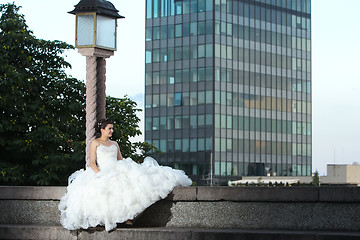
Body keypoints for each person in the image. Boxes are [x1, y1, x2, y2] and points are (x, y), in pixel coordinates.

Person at [58, 119, 192, 231]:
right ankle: (112, 218)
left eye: (112, 128)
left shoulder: (114, 143)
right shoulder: (95, 143)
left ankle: (128, 217)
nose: (112, 131)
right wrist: (100, 174)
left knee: (129, 184)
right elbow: (92, 162)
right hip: (102, 171)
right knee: (106, 190)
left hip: (117, 168)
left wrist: (126, 169)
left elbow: (120, 159)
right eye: (109, 128)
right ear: (102, 130)